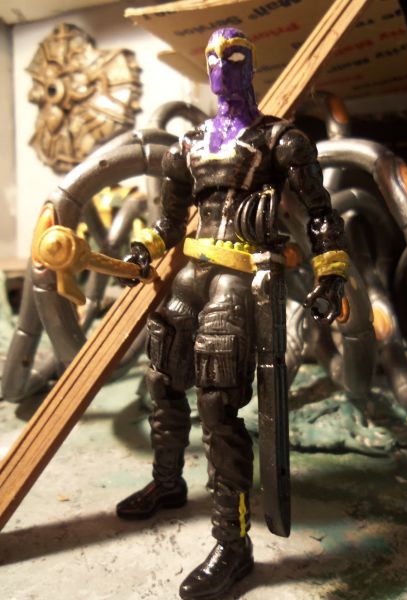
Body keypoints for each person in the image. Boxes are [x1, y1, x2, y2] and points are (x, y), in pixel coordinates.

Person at [117, 27, 349, 600]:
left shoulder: (281, 141)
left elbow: (320, 212)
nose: (223, 65)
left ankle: (233, 543)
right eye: (214, 57)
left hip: (241, 276)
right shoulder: (188, 146)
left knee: (219, 405)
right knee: (162, 380)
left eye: (235, 55)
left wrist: (331, 273)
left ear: (250, 66)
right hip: (192, 270)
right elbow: (171, 222)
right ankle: (168, 483)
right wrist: (144, 250)